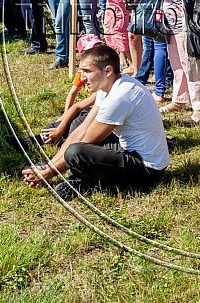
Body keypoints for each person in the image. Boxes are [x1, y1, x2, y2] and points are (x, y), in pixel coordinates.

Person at [21, 44, 169, 201]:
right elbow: (82, 130)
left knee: (76, 153)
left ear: (107, 71)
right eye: (82, 71)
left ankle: (85, 181)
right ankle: (81, 178)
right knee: (78, 126)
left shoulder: (120, 96)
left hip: (147, 171)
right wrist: (49, 165)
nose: (82, 77)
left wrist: (47, 173)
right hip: (130, 151)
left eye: (87, 71)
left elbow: (85, 143)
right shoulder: (109, 86)